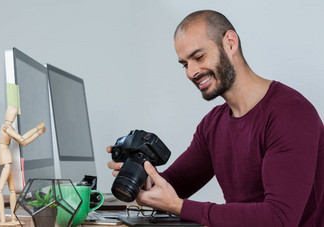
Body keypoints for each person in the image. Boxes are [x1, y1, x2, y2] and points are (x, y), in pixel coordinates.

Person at [107, 10, 324, 226]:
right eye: (184, 64)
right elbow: (173, 186)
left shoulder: (291, 113)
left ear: (230, 43)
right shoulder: (212, 125)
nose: (191, 72)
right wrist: (139, 176)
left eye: (199, 57)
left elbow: (279, 219)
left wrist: (179, 207)